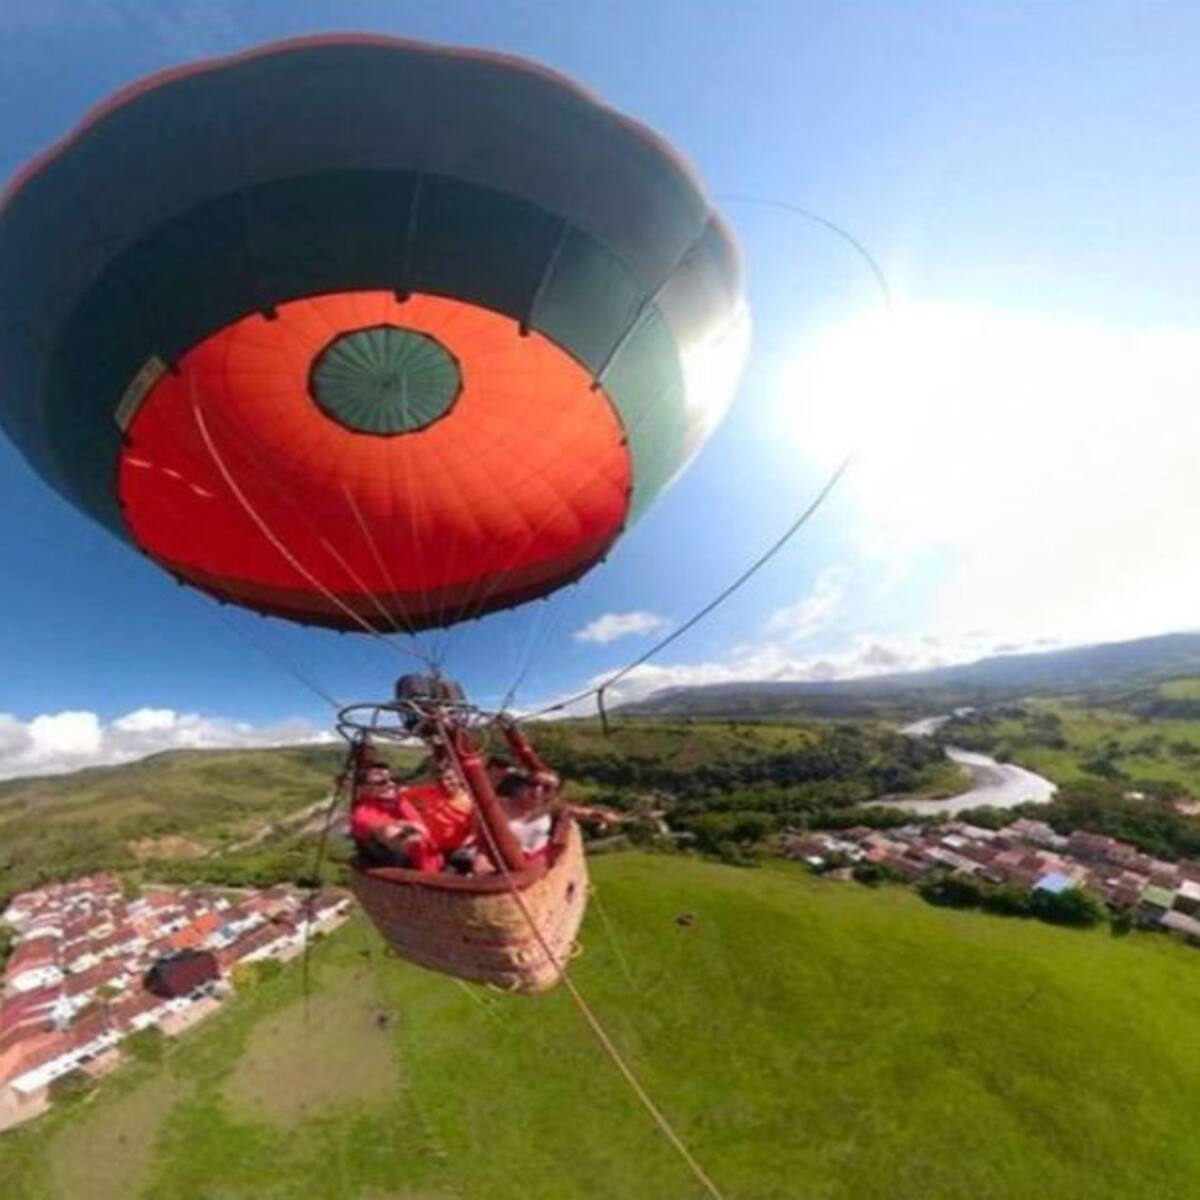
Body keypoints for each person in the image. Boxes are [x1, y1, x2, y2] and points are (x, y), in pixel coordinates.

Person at [349, 751, 443, 871]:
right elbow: (392, 837)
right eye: (381, 783)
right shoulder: (363, 814)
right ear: (365, 789)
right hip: (415, 876)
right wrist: (408, 826)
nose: (391, 784)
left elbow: (421, 829)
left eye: (392, 779)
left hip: (435, 863)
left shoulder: (399, 801)